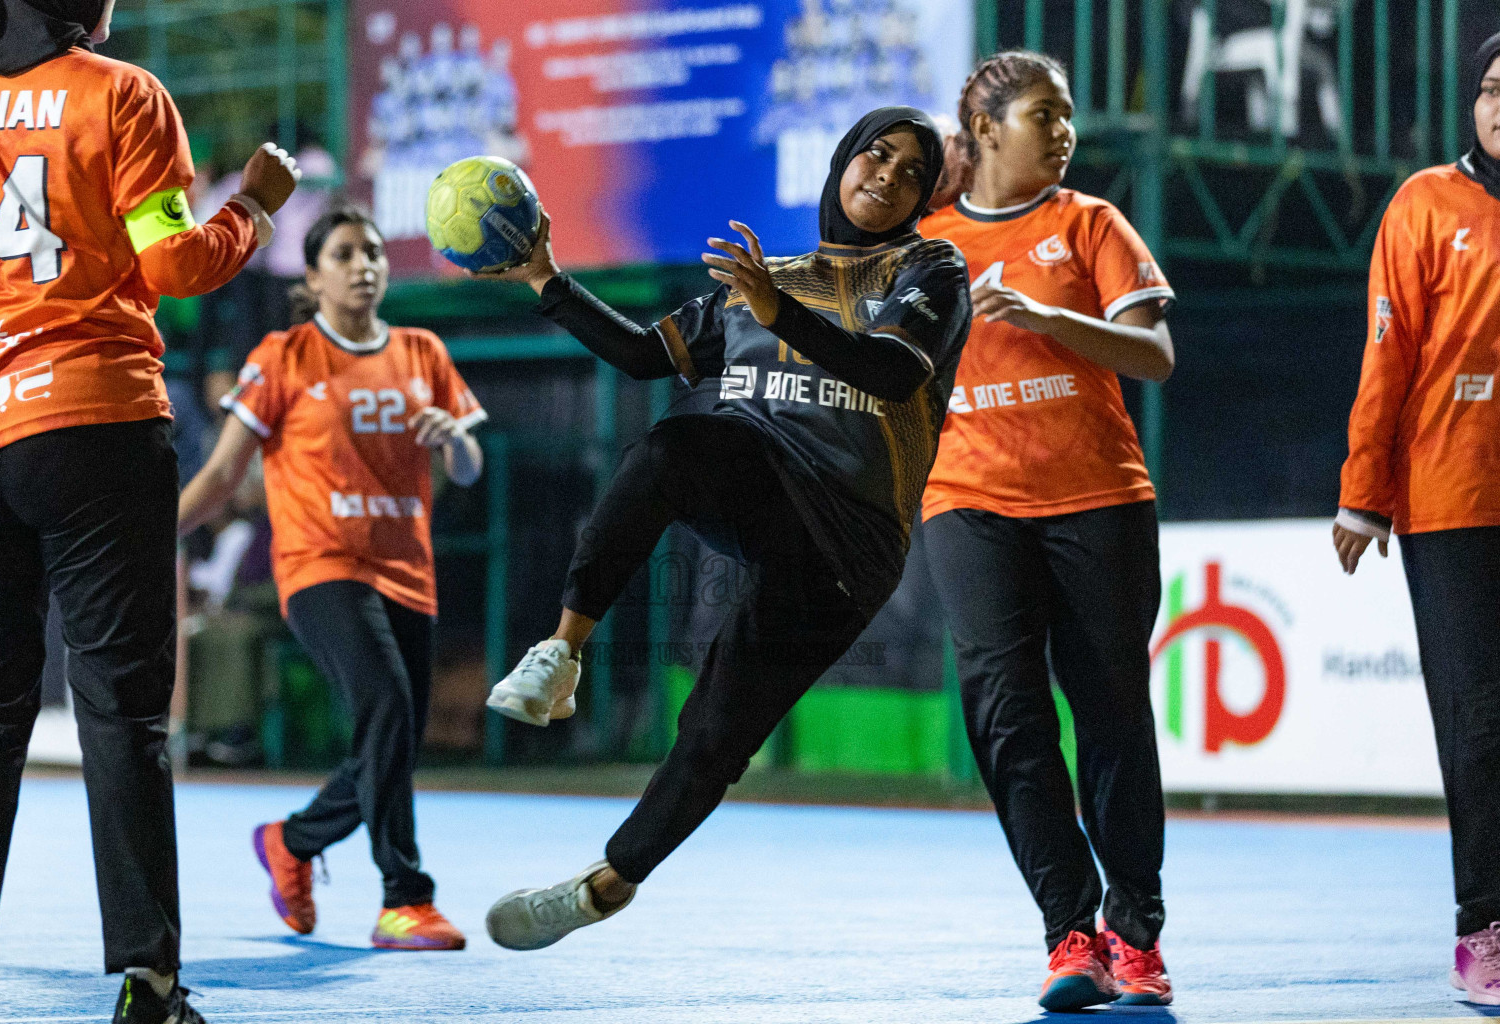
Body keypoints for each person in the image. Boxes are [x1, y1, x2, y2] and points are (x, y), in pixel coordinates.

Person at [474, 107, 970, 951]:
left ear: (924, 197)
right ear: (842, 161)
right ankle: (561, 652)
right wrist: (546, 280)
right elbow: (641, 355)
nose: (887, 174)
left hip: (847, 539)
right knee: (676, 444)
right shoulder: (764, 280)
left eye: (912, 172)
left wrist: (780, 314)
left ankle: (609, 882)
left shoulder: (929, 268)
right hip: (760, 480)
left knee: (715, 726)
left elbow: (890, 370)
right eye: (874, 154)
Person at [0, 0, 299, 1019]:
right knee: (120, 709)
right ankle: (148, 977)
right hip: (95, 424)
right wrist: (257, 205)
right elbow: (174, 266)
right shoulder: (122, 95)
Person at [915, 52, 1177, 1011]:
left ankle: (1135, 933)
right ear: (984, 128)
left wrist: (1048, 318)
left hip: (1099, 500)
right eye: (1043, 115)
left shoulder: (1091, 223)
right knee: (1007, 718)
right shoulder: (927, 243)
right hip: (968, 501)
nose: (1063, 133)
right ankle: (1070, 934)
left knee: (1111, 714)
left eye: (1066, 118)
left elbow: (1154, 354)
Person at [177, 206, 485, 951]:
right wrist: (148, 538)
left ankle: (293, 840)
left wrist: (456, 445)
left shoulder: (422, 352)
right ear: (313, 278)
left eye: (373, 252)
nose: (364, 265)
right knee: (385, 707)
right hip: (320, 566)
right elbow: (222, 474)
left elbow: (469, 468)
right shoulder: (283, 358)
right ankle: (404, 898)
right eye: (344, 254)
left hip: (407, 572)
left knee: (395, 737)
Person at [1334, 31, 1500, 1008]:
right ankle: (1482, 927)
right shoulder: (1426, 203)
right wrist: (1366, 489)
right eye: (1489, 88)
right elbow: (1388, 355)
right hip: (1454, 502)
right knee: (1480, 725)